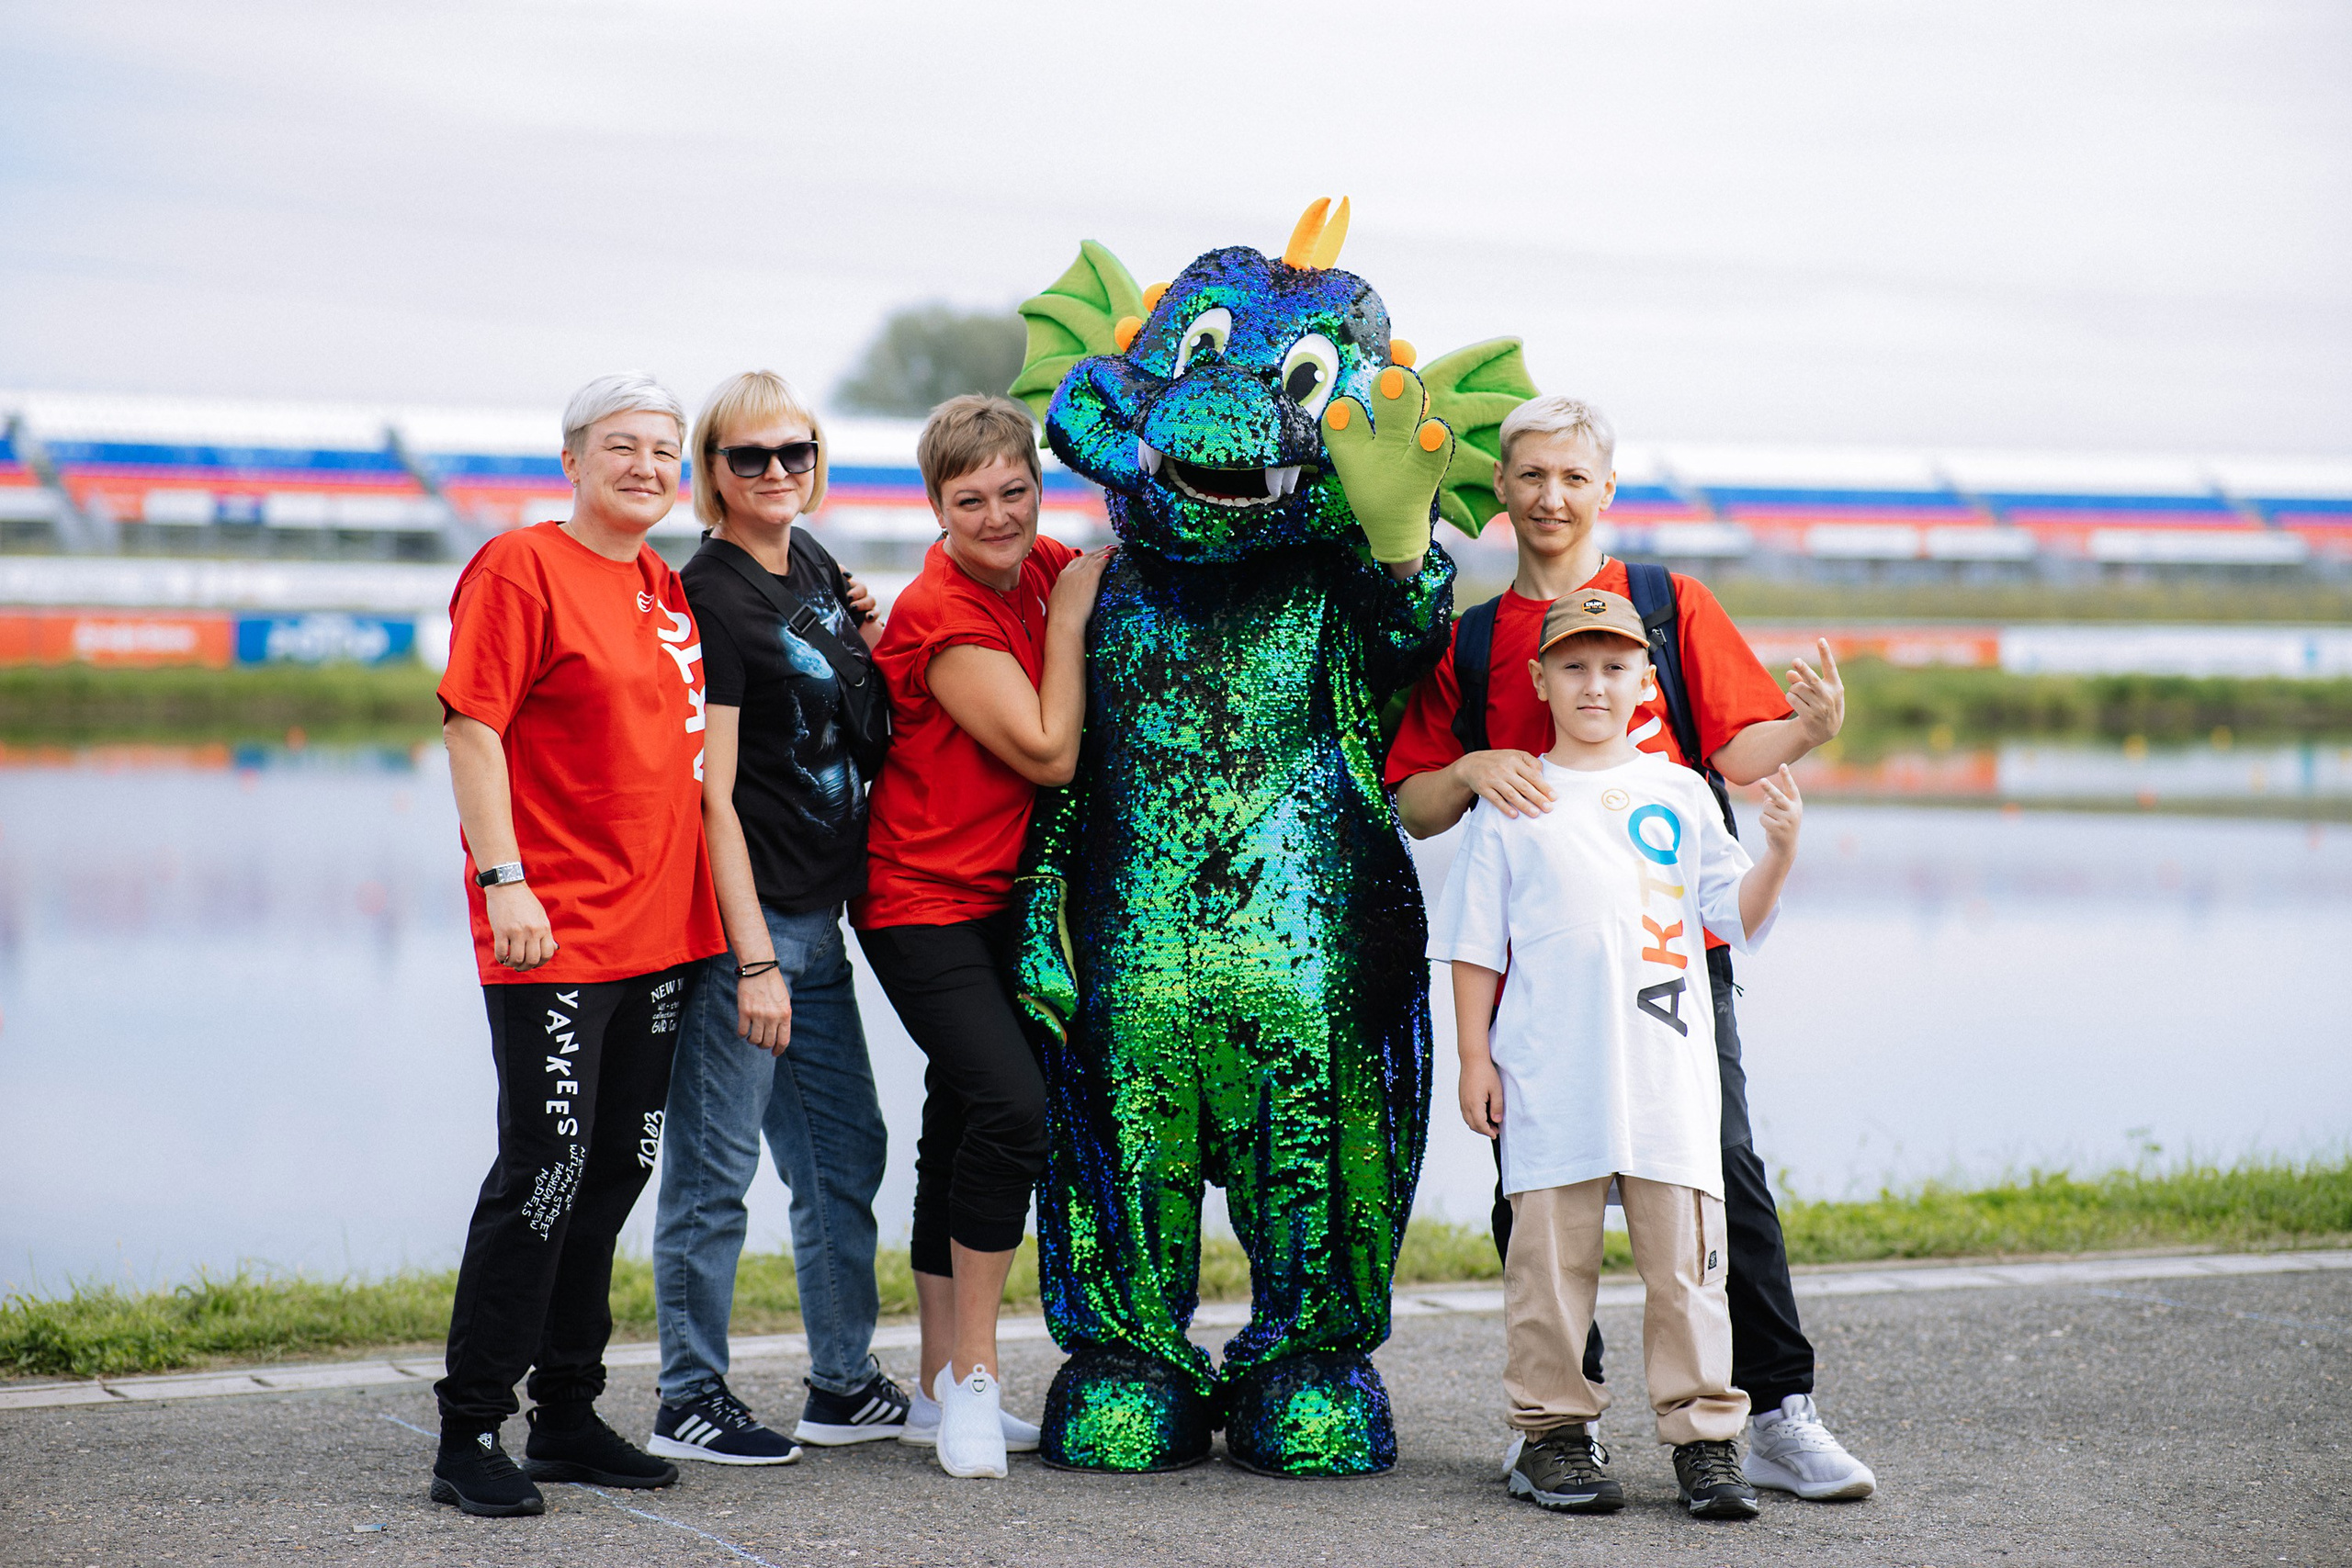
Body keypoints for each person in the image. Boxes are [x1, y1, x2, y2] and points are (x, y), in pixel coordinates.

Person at [1386, 394, 1876, 1501]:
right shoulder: (1471, 637)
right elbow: (1412, 805)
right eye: (1530, 477)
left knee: (1720, 1173)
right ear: (1502, 493)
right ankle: (1557, 1423)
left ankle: (1773, 1410)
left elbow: (1741, 755)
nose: (1552, 496)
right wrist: (1466, 772)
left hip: (1668, 948)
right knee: (1536, 1189)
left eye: (1573, 477)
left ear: (1605, 491)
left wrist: (1807, 730)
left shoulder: (1665, 602)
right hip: (1541, 965)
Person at [1430, 591, 1804, 1521]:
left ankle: (1705, 1441)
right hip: (1548, 1072)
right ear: (1539, 679)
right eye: (1574, 665)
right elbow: (1477, 946)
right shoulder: (1511, 796)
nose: (1593, 683)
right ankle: (1552, 1435)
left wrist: (1780, 854)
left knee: (1685, 1272)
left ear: (1644, 684)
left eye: (1613, 666)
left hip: (1666, 1075)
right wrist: (1474, 1058)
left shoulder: (1677, 792)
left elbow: (1731, 917)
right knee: (1549, 1270)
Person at [429, 372, 726, 1517]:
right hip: (551, 931)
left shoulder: (659, 581)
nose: (647, 465)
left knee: (612, 1175)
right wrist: (503, 877)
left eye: (665, 450)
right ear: (573, 460)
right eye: (622, 446)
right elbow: (473, 726)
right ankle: (468, 1434)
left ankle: (565, 1415)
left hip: (659, 936)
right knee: (542, 1173)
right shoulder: (520, 567)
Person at [649, 370, 908, 1468]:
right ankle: (686, 1397)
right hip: (744, 934)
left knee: (844, 1156)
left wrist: (870, 623)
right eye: (748, 458)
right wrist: (753, 958)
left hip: (818, 923)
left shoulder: (807, 561)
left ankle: (842, 1384)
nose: (774, 473)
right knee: (713, 1181)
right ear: (711, 471)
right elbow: (713, 790)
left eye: (792, 452)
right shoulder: (709, 592)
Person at [852, 394, 1110, 1479]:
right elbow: (1049, 750)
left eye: (1015, 491)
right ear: (937, 506)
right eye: (972, 502)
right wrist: (1065, 621)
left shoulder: (1044, 562)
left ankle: (927, 1387)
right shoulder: (938, 611)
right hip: (921, 901)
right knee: (1011, 1109)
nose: (999, 517)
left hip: (1003, 901)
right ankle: (974, 1380)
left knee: (958, 1120)